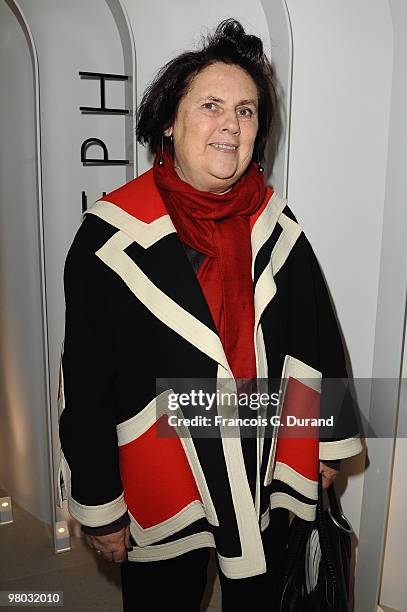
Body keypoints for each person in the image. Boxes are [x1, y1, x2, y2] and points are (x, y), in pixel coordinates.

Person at [57, 19, 362, 611]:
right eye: (212, 106)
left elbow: (317, 344)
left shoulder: (279, 226)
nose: (231, 123)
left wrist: (323, 446)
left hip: (265, 464)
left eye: (246, 111)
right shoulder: (107, 237)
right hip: (165, 475)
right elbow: (89, 384)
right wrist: (101, 504)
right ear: (169, 122)